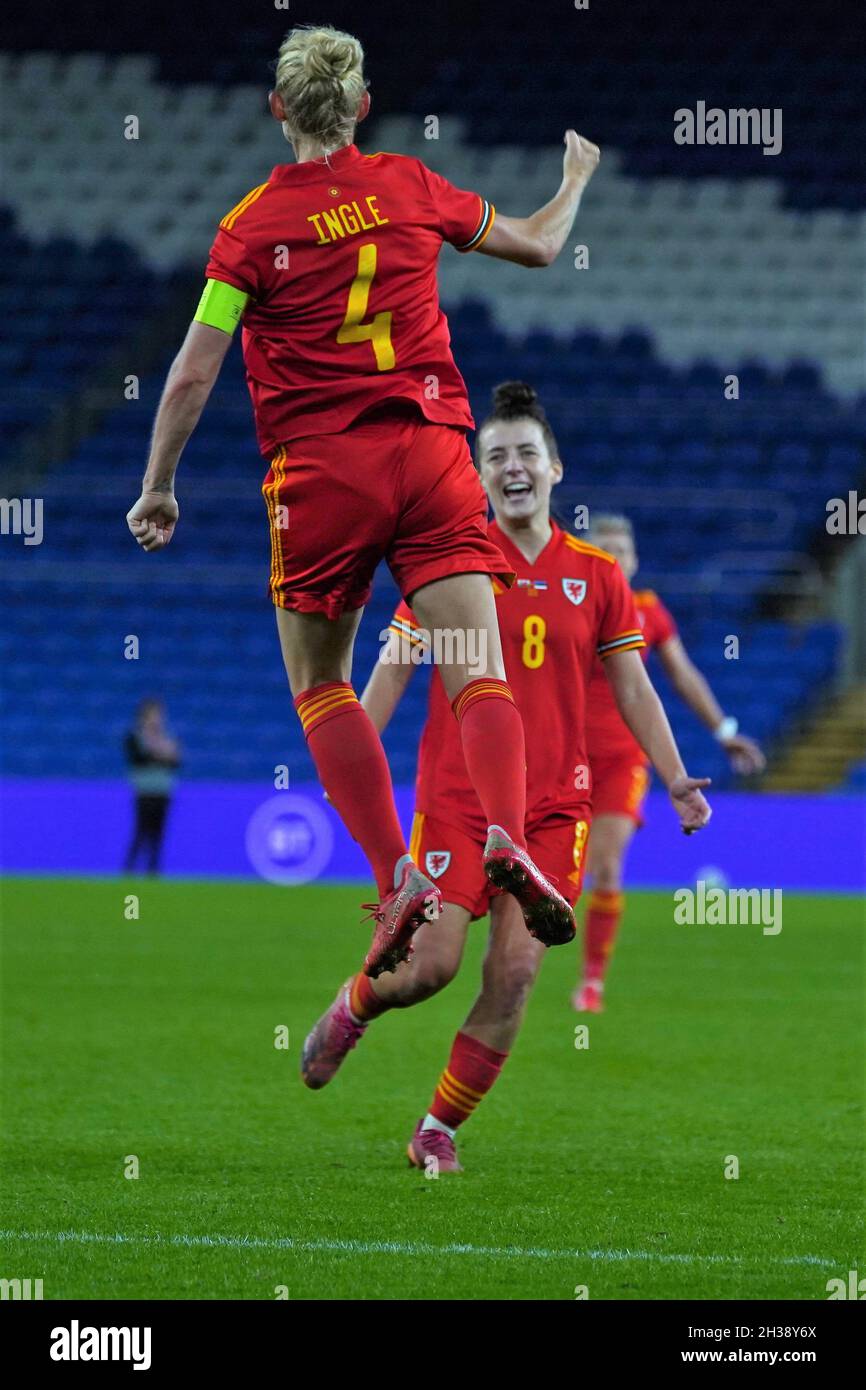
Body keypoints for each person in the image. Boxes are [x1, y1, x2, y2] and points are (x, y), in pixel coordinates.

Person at [125, 24, 602, 975]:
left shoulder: (249, 230)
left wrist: (159, 487)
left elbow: (189, 375)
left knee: (321, 684)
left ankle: (399, 882)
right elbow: (541, 248)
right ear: (363, 108)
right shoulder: (411, 187)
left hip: (322, 477)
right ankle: (506, 836)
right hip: (431, 455)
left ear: (278, 110)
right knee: (477, 666)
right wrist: (577, 177)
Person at [301, 382, 712, 1173]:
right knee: (430, 967)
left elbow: (633, 685)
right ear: (478, 476)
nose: (513, 467)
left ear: (555, 468)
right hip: (457, 800)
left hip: (555, 806)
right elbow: (392, 667)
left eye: (527, 452)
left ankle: (437, 1130)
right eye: (496, 457)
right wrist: (349, 757)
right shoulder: (446, 563)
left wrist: (678, 777)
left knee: (517, 971)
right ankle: (355, 1004)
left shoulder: (597, 575)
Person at [574, 514, 766, 1012]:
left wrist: (724, 732)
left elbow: (682, 676)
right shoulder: (568, 604)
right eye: (604, 547)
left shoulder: (649, 612)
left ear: (636, 560)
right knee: (557, 873)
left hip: (622, 760)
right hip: (563, 756)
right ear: (590, 555)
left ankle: (592, 981)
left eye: (623, 548)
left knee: (607, 867)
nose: (615, 555)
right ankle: (517, 968)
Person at [123, 699, 181, 875]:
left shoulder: (168, 736)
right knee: (141, 833)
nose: (157, 719)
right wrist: (161, 752)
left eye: (159, 715)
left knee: (158, 835)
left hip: (163, 792)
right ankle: (129, 871)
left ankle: (153, 872)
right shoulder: (134, 737)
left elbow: (176, 761)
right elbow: (139, 758)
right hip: (144, 792)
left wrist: (161, 753)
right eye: (153, 714)